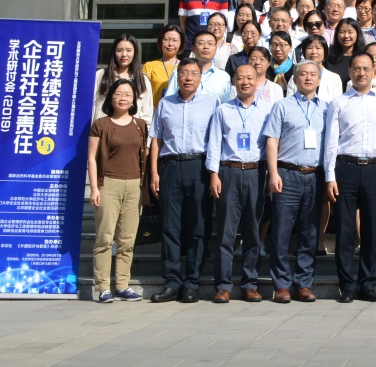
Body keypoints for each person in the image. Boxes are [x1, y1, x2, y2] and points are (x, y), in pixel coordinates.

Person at [324, 51, 376, 303]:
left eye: (366, 68)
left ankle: (368, 284)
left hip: (375, 169)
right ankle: (347, 285)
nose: (361, 73)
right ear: (349, 72)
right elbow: (331, 142)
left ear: (374, 71)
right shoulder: (338, 103)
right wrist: (329, 176)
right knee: (344, 230)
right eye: (356, 69)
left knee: (371, 231)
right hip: (346, 168)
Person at [148, 59, 219, 304]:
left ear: (200, 78)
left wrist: (213, 173)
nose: (188, 78)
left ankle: (191, 282)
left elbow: (216, 140)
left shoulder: (211, 103)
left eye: (194, 74)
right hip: (170, 167)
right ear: (177, 77)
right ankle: (172, 282)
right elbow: (156, 140)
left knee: (198, 226)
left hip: (199, 166)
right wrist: (154, 173)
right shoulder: (165, 103)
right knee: (170, 226)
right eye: (184, 73)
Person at [262, 60, 327, 304]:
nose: (308, 78)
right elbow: (272, 140)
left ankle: (304, 283)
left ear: (319, 80)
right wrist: (273, 173)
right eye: (303, 74)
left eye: (313, 74)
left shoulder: (327, 108)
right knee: (281, 231)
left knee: (309, 232)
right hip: (287, 174)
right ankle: (281, 285)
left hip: (315, 175)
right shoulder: (282, 106)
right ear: (295, 79)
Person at [205, 64, 271, 304]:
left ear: (257, 81)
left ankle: (249, 285)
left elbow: (273, 144)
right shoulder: (223, 110)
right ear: (234, 82)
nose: (245, 82)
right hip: (229, 172)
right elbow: (214, 144)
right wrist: (213, 175)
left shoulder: (267, 110)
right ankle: (223, 286)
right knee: (226, 232)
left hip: (256, 173)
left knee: (252, 232)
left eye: (249, 78)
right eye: (240, 78)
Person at [87, 78, 148, 303]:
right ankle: (103, 287)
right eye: (119, 94)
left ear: (134, 100)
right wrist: (94, 188)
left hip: (134, 185)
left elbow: (143, 155)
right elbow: (92, 158)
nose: (123, 98)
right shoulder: (101, 124)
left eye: (128, 95)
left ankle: (122, 285)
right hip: (109, 184)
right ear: (111, 97)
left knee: (127, 239)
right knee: (105, 237)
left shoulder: (140, 125)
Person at [94, 33, 154, 124]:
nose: (124, 54)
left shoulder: (143, 79)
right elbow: (92, 106)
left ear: (135, 52)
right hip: (103, 130)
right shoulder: (101, 75)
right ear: (114, 52)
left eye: (129, 50)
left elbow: (147, 113)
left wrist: (144, 132)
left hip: (131, 131)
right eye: (119, 50)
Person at [166, 31, 231, 102]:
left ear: (216, 48)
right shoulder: (179, 73)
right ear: (192, 48)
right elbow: (169, 102)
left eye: (210, 44)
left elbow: (225, 105)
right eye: (201, 43)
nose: (206, 47)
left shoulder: (223, 77)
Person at [145, 24, 184, 106]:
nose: (170, 44)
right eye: (166, 40)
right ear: (161, 41)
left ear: (181, 43)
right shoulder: (149, 67)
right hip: (155, 111)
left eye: (175, 40)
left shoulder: (185, 67)